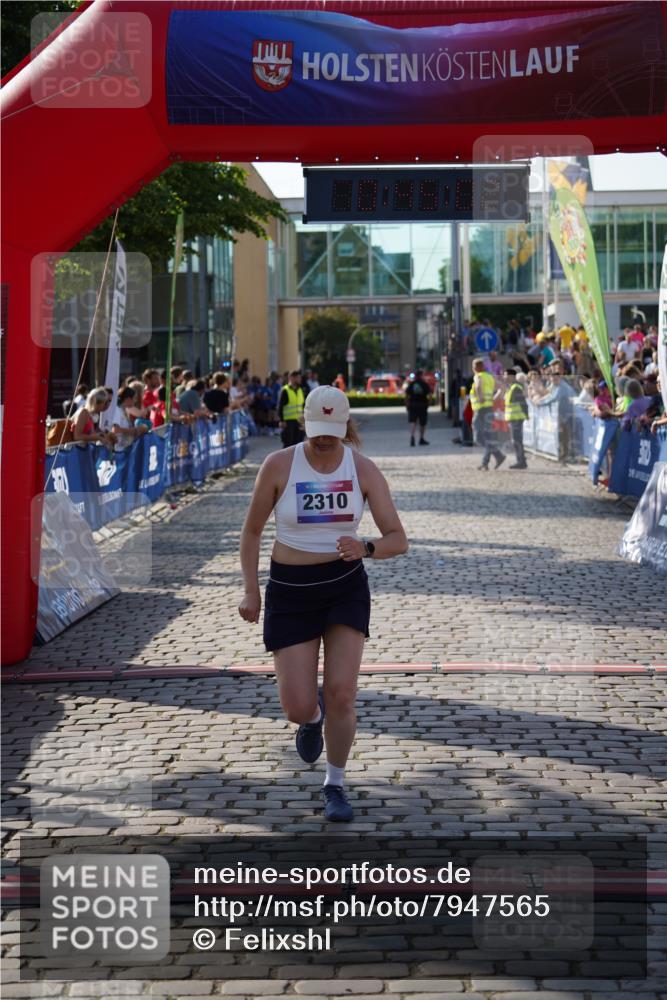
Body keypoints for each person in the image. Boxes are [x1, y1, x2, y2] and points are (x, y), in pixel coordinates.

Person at [238, 386, 408, 823]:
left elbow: (397, 539)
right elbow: (253, 531)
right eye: (317, 433)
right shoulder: (279, 465)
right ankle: (311, 719)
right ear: (305, 425)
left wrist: (366, 546)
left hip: (343, 586)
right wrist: (250, 590)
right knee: (296, 705)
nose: (325, 440)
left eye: (332, 432)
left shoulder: (363, 469)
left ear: (346, 426)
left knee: (342, 693)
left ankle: (335, 784)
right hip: (290, 589)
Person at [470, 358, 505, 470]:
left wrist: (480, 398)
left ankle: (496, 457)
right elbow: (502, 388)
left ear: (475, 368)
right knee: (488, 437)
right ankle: (490, 460)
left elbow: (478, 386)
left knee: (478, 436)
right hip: (489, 409)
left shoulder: (478, 376)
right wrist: (494, 398)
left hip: (481, 410)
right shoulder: (490, 377)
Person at [503, 368, 529, 469]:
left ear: (512, 376)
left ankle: (521, 461)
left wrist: (526, 414)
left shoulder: (516, 388)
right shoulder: (511, 387)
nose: (504, 377)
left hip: (517, 418)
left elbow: (522, 402)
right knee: (516, 440)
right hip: (514, 418)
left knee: (517, 440)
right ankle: (521, 460)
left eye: (506, 375)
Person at [278, 371, 306, 448]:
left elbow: (303, 405)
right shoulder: (285, 390)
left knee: (299, 444)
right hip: (288, 421)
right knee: (288, 444)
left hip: (299, 421)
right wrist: (281, 420)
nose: (300, 379)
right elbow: (280, 406)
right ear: (292, 378)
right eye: (298, 378)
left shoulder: (301, 390)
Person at [405, 369, 431, 446]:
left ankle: (412, 436)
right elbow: (429, 395)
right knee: (422, 423)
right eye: (423, 375)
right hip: (422, 405)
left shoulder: (412, 384)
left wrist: (407, 404)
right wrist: (428, 403)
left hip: (412, 405)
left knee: (413, 422)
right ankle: (421, 438)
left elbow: (406, 395)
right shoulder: (424, 384)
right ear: (421, 375)